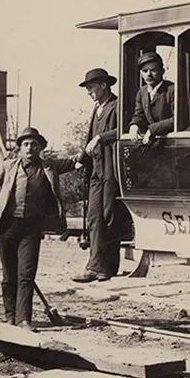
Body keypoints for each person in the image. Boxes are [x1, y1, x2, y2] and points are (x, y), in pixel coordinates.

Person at [0, 127, 79, 329]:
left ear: (41, 147)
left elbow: (74, 161)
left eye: (34, 144)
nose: (30, 147)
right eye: (26, 144)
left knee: (26, 274)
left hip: (32, 229)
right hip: (7, 227)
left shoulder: (49, 167)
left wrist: (93, 145)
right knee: (9, 276)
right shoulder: (8, 167)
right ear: (19, 148)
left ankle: (24, 319)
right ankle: (10, 315)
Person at [72, 68, 132, 283]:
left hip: (111, 169)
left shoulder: (117, 106)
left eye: (91, 87)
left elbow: (124, 131)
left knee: (108, 216)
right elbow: (89, 138)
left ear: (104, 85)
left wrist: (101, 137)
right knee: (95, 217)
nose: (89, 92)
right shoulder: (96, 110)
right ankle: (96, 265)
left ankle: (107, 267)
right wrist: (81, 159)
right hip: (96, 170)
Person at [129, 51, 175, 143]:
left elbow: (176, 120)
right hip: (151, 143)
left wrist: (152, 130)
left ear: (162, 71)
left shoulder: (172, 90)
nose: (148, 74)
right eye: (145, 71)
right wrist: (134, 125)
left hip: (171, 141)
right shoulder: (141, 92)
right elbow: (139, 115)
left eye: (153, 70)